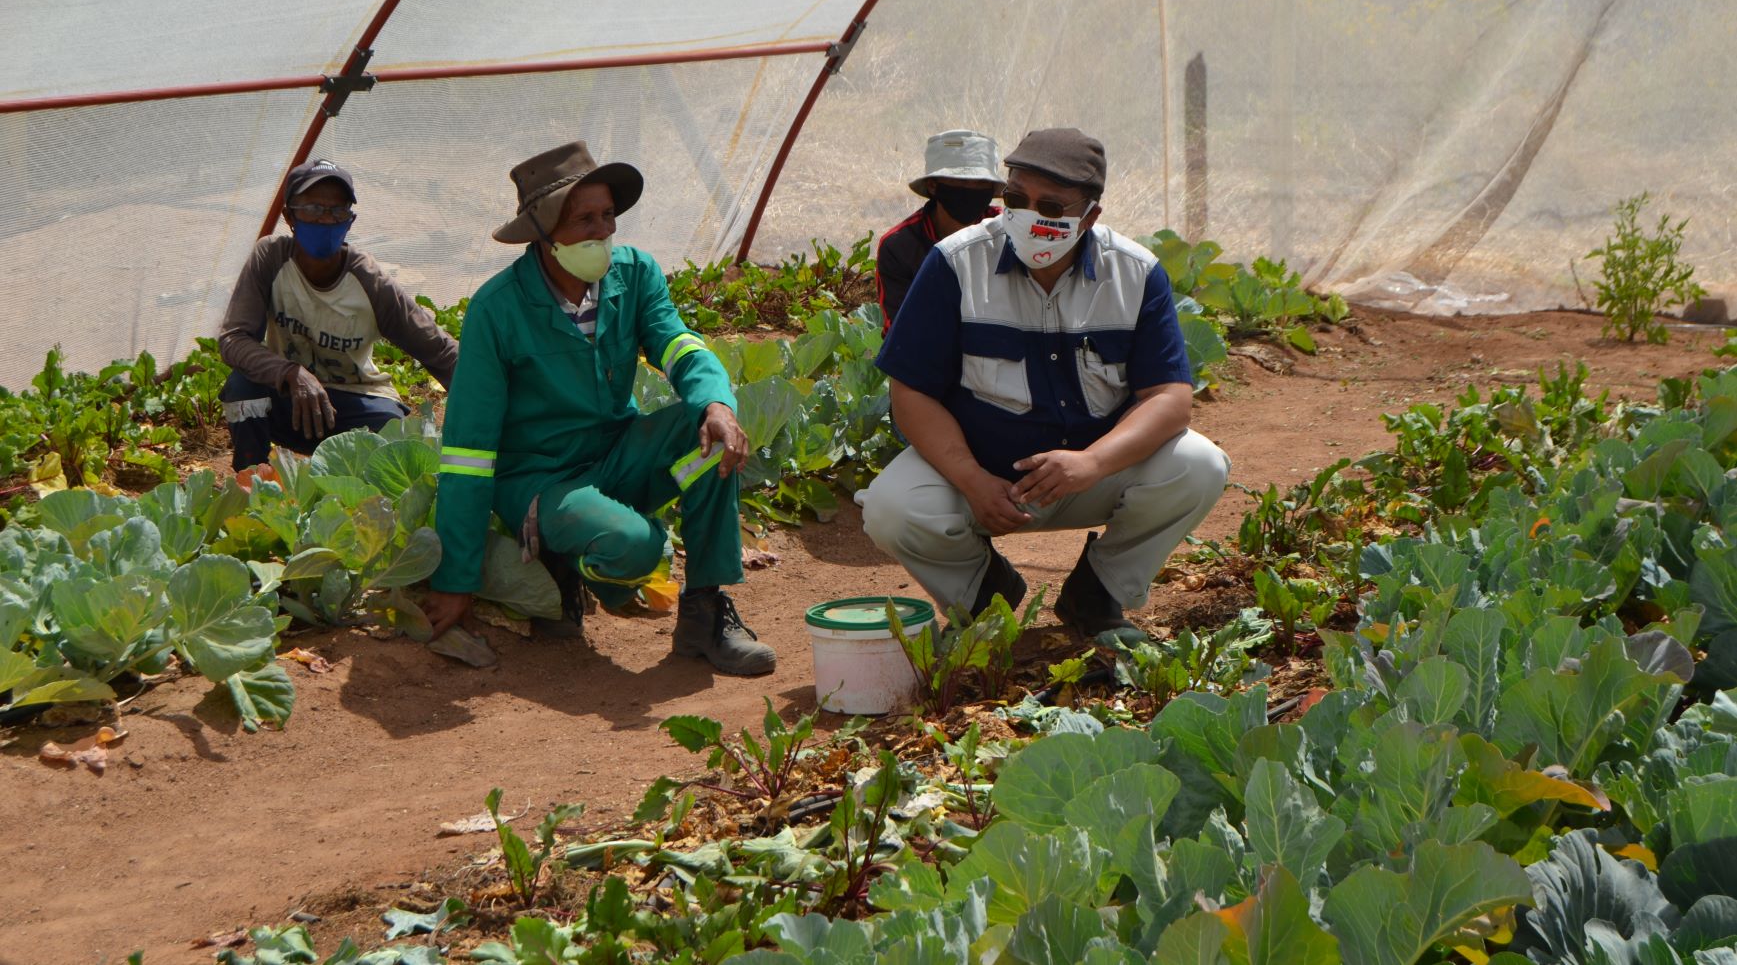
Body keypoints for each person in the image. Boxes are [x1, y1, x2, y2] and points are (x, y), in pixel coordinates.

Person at [419, 141, 775, 676]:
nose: (603, 230)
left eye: (607, 215)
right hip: (542, 480)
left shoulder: (634, 275)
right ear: (543, 232)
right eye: (583, 218)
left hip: (617, 455)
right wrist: (456, 578)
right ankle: (560, 564)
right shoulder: (496, 310)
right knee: (636, 546)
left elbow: (677, 343)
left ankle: (704, 609)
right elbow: (468, 452)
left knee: (706, 436)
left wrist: (716, 403)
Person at [862, 128, 1231, 640]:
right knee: (892, 509)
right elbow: (911, 394)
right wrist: (971, 478)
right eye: (1015, 199)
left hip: (1092, 473)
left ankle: (1096, 596)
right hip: (982, 480)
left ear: (1090, 215)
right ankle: (983, 596)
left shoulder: (1135, 274)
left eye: (1052, 206)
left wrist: (1091, 463)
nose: (1030, 216)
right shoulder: (953, 263)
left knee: (1199, 465)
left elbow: (1169, 399)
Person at [218, 159, 458, 472]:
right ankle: (252, 482)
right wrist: (292, 373)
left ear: (350, 221)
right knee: (242, 390)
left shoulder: (369, 281)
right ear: (290, 216)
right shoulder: (271, 258)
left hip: (354, 402)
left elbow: (439, 351)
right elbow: (233, 338)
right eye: (314, 209)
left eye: (337, 212)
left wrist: (495, 397)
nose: (326, 220)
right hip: (292, 400)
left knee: (391, 433)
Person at [875, 129, 1004, 331]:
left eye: (980, 182)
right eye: (961, 181)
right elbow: (902, 330)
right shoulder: (900, 246)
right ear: (933, 185)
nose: (971, 190)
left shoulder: (1007, 231)